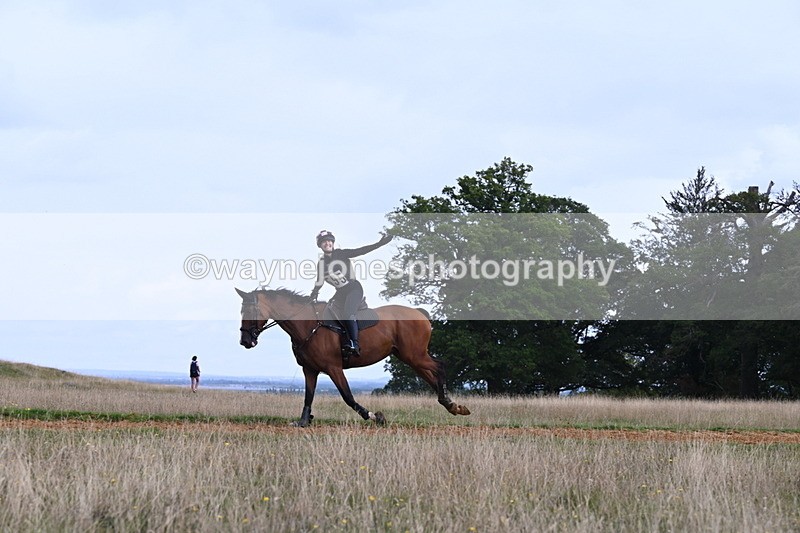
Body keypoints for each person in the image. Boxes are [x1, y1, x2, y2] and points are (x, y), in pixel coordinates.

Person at [309, 230, 392, 356]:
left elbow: (361, 250)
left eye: (329, 241)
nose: (327, 243)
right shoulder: (321, 263)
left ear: (332, 243)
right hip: (340, 293)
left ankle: (354, 343)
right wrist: (314, 294)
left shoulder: (341, 254)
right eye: (324, 242)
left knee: (348, 313)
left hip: (353, 289)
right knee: (329, 312)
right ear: (320, 246)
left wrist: (379, 244)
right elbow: (319, 281)